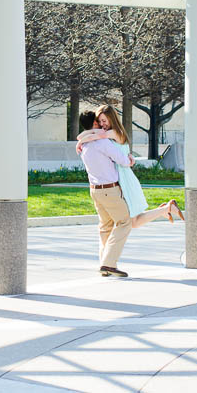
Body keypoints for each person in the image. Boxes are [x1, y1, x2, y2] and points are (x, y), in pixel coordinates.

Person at [77, 104, 185, 229]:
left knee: (132, 222)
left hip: (125, 179)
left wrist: (81, 141)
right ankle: (165, 209)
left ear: (112, 119)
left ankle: (166, 209)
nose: (102, 124)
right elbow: (86, 136)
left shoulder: (116, 133)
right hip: (119, 179)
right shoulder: (106, 133)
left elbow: (89, 135)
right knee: (132, 221)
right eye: (99, 121)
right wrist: (81, 140)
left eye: (104, 120)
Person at [76, 110, 135, 278]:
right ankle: (108, 264)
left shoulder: (85, 145)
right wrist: (130, 159)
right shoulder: (103, 143)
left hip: (95, 190)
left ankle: (104, 263)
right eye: (98, 121)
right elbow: (123, 160)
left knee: (105, 226)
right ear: (94, 124)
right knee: (124, 222)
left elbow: (83, 138)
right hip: (110, 190)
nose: (101, 124)